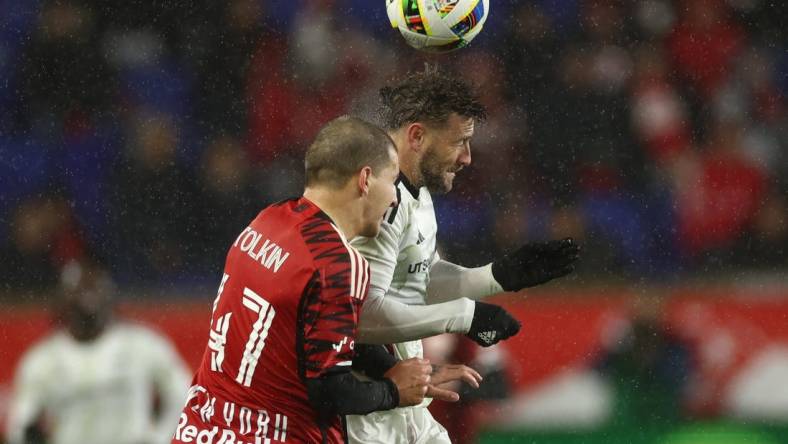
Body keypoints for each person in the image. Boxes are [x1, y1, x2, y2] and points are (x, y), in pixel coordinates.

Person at [172, 116, 480, 444]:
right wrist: (392, 392)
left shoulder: (264, 223)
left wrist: (393, 368)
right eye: (391, 182)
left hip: (203, 429)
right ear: (365, 179)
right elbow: (329, 391)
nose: (393, 199)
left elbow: (309, 339)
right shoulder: (336, 265)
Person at [347, 68, 581, 443]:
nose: (468, 158)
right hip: (366, 410)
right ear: (417, 136)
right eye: (459, 142)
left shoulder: (415, 193)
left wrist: (494, 277)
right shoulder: (377, 203)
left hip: (403, 401)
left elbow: (414, 277)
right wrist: (464, 315)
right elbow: (358, 318)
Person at [5, 260, 191, 444]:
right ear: (62, 299)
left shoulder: (143, 344)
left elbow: (184, 395)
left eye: (94, 287)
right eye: (78, 289)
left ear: (110, 294)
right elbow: (20, 425)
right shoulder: (42, 360)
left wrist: (158, 438)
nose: (87, 296)